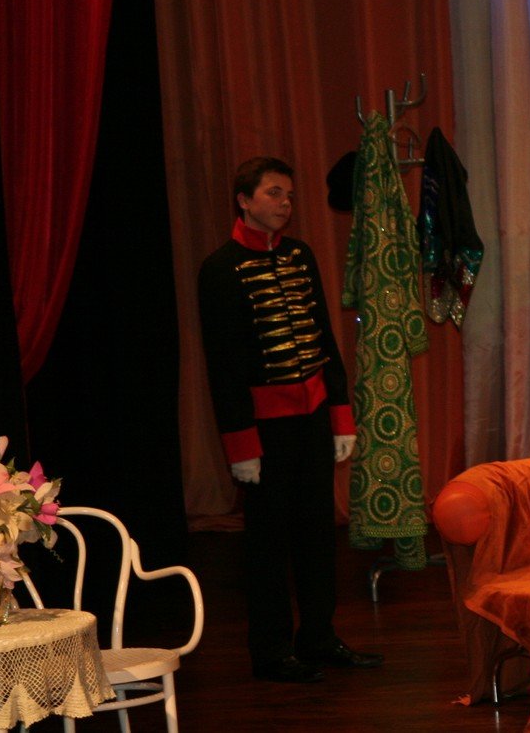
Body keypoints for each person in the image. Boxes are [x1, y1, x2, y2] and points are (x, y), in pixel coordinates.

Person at [197, 156, 384, 682]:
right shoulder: (220, 269)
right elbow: (224, 365)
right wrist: (241, 445)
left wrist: (340, 416)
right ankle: (271, 650)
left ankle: (319, 636)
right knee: (268, 544)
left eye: (289, 195)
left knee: (317, 535)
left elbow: (324, 339)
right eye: (274, 193)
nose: (285, 204)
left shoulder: (300, 256)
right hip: (263, 429)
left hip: (312, 418)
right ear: (244, 200)